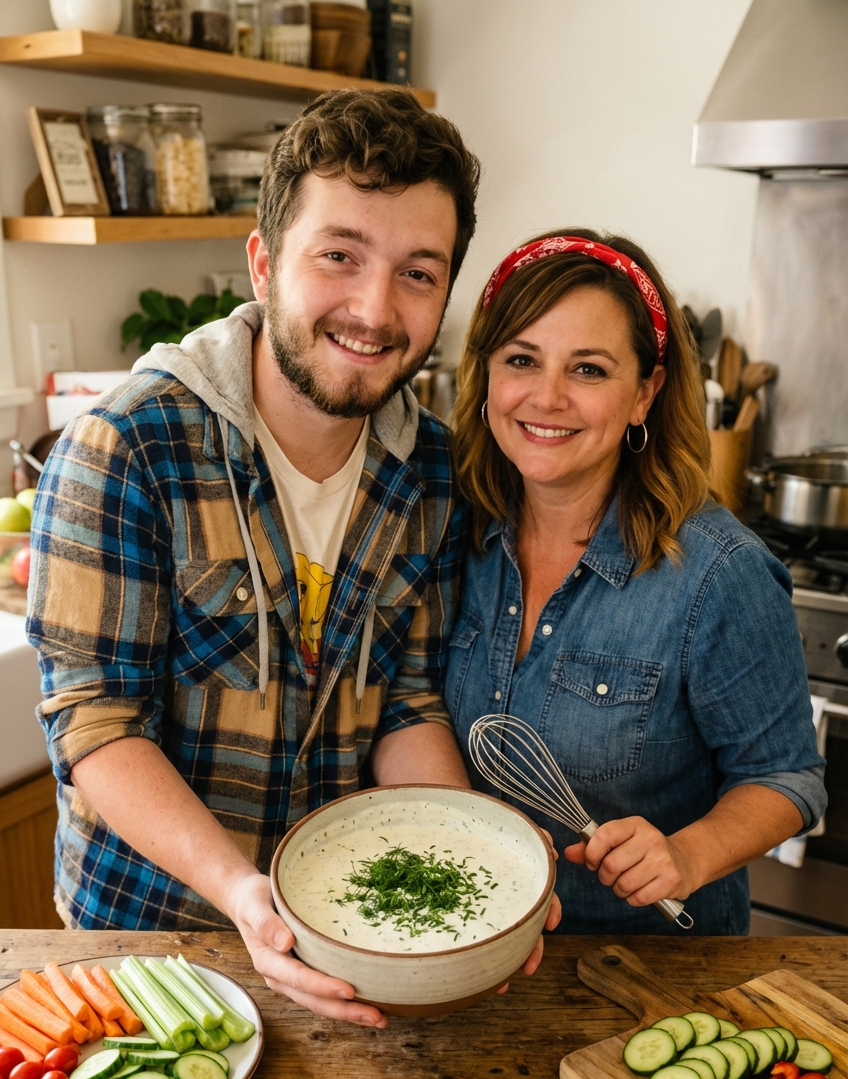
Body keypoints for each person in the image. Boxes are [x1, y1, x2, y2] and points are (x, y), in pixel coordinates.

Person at [27, 88, 560, 1030]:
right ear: (265, 264)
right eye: (340, 256)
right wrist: (245, 897)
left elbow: (406, 701)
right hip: (157, 946)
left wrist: (481, 872)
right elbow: (95, 727)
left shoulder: (431, 468)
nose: (374, 308)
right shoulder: (127, 448)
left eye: (418, 273)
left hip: (354, 942)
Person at [447, 229, 826, 935]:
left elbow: (788, 778)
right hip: (472, 954)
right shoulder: (453, 532)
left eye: (588, 370)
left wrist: (686, 853)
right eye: (522, 360)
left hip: (649, 970)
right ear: (487, 376)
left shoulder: (717, 574)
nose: (547, 396)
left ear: (645, 392)